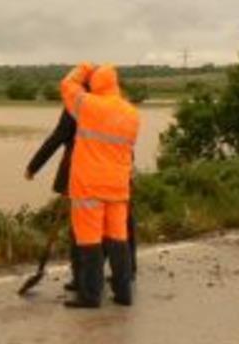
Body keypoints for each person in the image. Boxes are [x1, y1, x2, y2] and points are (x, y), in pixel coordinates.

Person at [60, 62, 140, 308]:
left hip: (89, 185)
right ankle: (124, 293)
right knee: (118, 240)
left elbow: (67, 84)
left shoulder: (88, 105)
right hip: (118, 186)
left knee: (89, 240)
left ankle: (91, 295)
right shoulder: (132, 113)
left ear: (95, 83)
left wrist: (84, 67)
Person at [24, 109, 80, 289]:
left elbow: (57, 137)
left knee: (81, 227)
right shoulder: (113, 103)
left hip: (80, 172)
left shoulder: (76, 104)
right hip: (113, 173)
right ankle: (123, 273)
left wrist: (33, 167)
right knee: (110, 226)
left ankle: (82, 278)